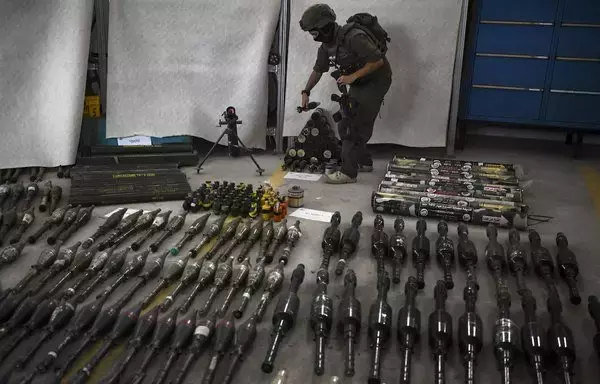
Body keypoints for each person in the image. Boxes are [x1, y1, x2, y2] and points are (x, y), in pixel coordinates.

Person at [299, 4, 392, 184]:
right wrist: (306, 91)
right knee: (348, 119)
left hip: (376, 80)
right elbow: (318, 70)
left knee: (352, 125)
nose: (313, 37)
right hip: (359, 82)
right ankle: (364, 162)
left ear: (325, 27)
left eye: (314, 32)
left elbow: (377, 61)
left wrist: (352, 77)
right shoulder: (326, 47)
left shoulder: (354, 37)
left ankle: (348, 173)